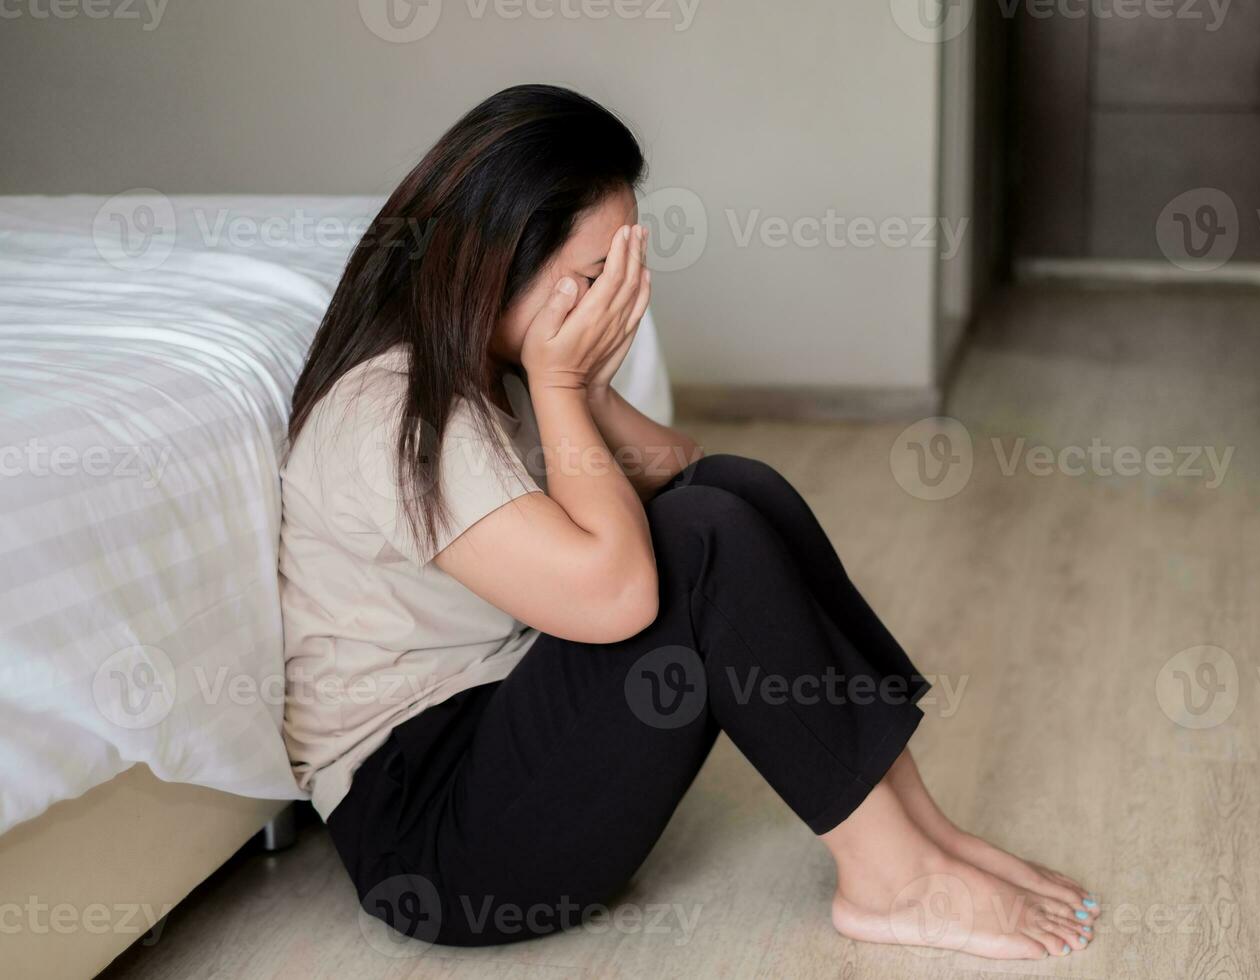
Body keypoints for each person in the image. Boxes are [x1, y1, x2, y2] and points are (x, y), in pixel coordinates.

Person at [278, 84, 1098, 961]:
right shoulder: (396, 406)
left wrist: (582, 391)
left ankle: (917, 833)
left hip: (504, 738)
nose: (604, 305)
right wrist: (559, 389)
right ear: (498, 261)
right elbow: (623, 598)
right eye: (591, 280)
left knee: (739, 491)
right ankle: (892, 882)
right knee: (704, 539)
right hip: (439, 843)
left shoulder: (487, 361)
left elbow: (684, 472)